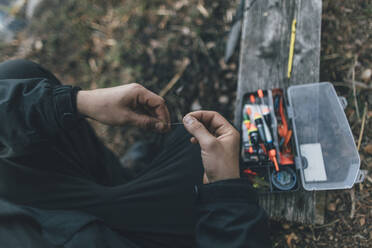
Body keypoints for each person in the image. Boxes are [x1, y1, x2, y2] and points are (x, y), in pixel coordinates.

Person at [0, 59, 271, 247]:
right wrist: (225, 192)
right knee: (197, 156)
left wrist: (75, 102)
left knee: (16, 73)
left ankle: (122, 183)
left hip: (46, 216)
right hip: (87, 237)